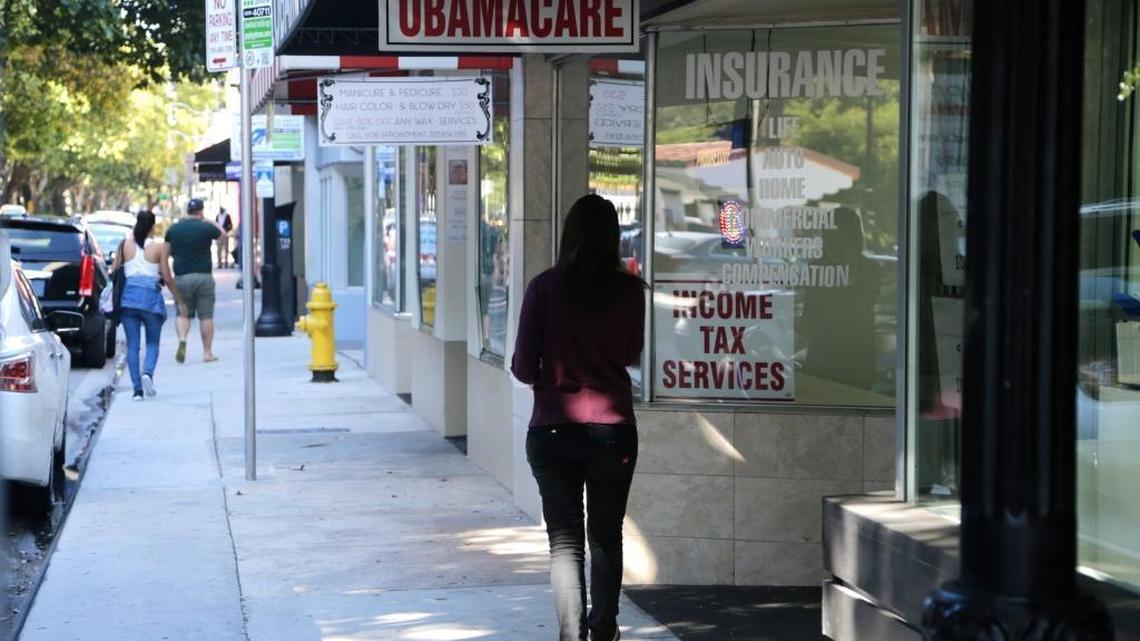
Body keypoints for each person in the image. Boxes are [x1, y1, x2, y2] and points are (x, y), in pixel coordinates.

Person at [511, 194, 647, 641]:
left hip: (552, 430)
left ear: (569, 233)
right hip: (613, 429)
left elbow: (522, 367)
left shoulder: (544, 287)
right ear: (614, 237)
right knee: (606, 536)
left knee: (565, 542)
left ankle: (572, 636)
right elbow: (630, 354)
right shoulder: (629, 289)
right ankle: (605, 629)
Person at [112, 211, 186, 401]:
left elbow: (114, 271)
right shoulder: (158, 248)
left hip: (128, 299)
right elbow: (167, 277)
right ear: (152, 226)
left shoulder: (124, 245)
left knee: (133, 346)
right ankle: (148, 374)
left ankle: (137, 390)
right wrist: (179, 299)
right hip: (150, 301)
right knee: (152, 342)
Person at [165, 198, 224, 363]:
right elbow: (223, 235)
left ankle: (183, 339)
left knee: (183, 313)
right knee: (206, 316)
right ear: (201, 211)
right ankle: (207, 353)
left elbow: (167, 251)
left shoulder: (174, 229)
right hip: (203, 277)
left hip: (182, 277)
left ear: (187, 211)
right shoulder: (205, 228)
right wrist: (210, 221)